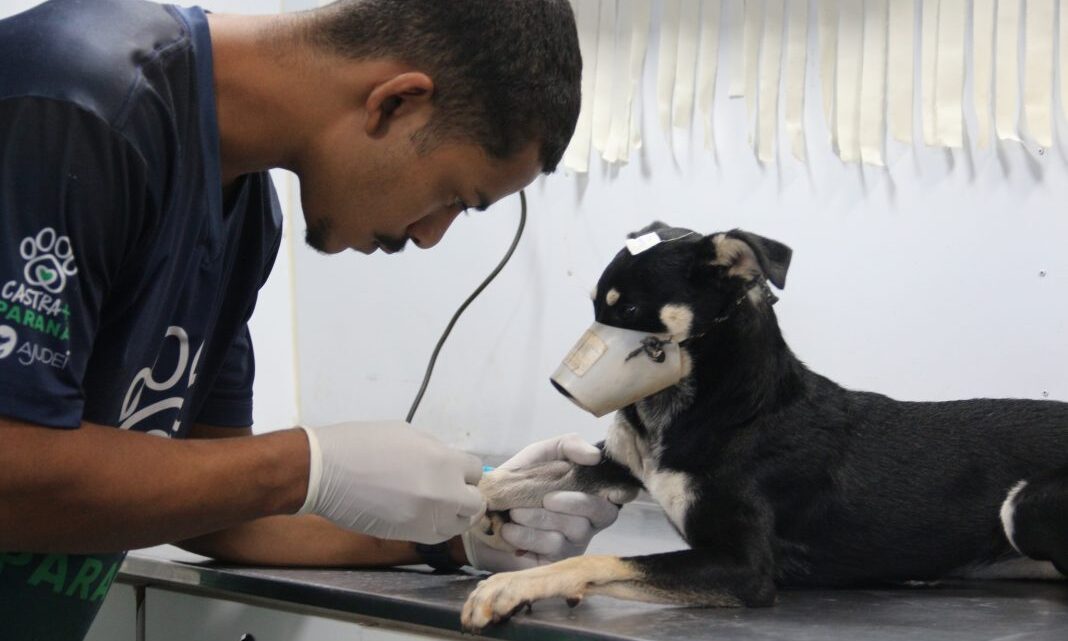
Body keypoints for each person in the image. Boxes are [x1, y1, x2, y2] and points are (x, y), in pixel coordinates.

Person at [0, 1, 619, 638]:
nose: (433, 235)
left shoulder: (245, 214)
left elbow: (215, 508)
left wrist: (457, 530)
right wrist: (304, 465)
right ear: (395, 102)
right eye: (455, 197)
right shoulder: (75, 103)